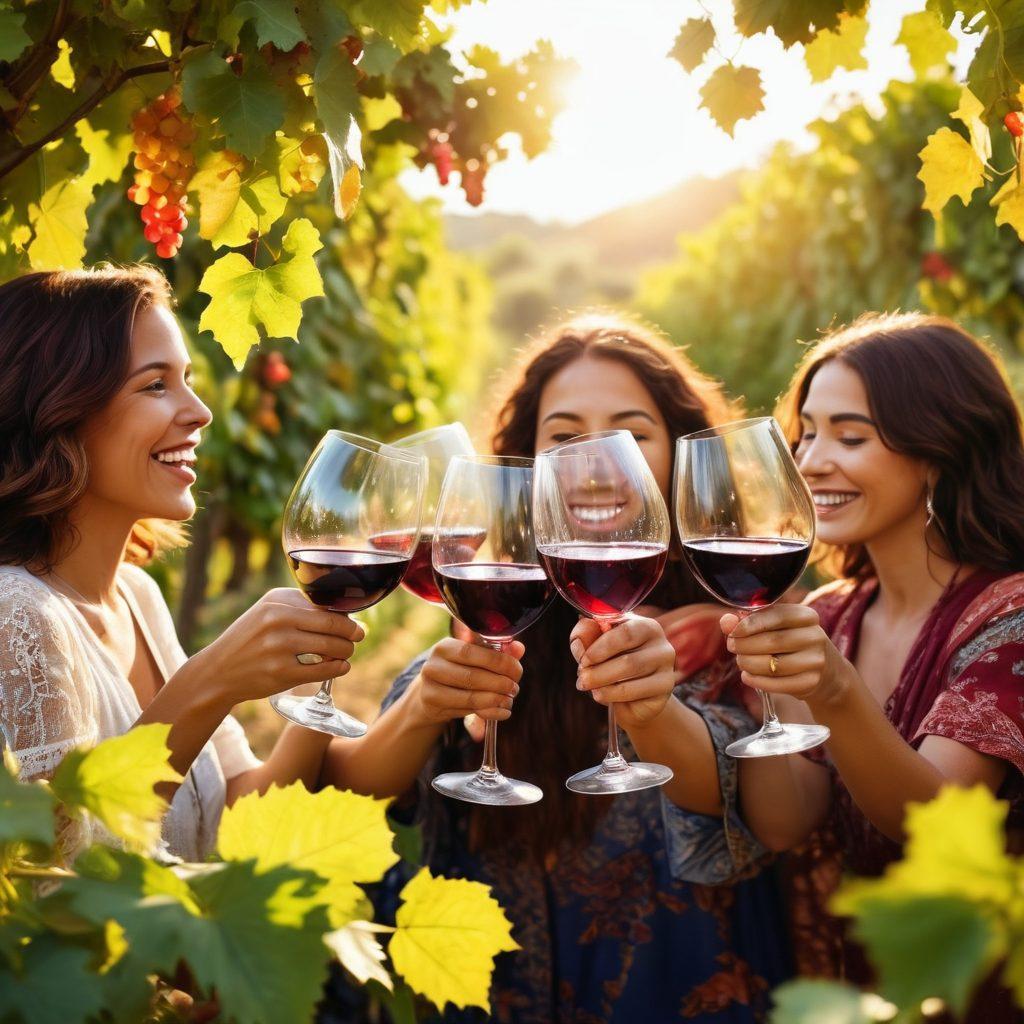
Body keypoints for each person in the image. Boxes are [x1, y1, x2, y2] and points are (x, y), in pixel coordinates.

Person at [323, 313, 792, 1023]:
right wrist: (422, 707)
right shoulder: (495, 609)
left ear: (680, 453)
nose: (597, 463)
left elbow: (741, 805)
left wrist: (652, 709)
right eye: (564, 438)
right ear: (526, 462)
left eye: (632, 434)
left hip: (674, 988)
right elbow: (358, 790)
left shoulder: (735, 613)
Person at [718, 312, 1024, 1021]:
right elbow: (786, 820)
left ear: (940, 450)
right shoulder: (828, 617)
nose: (813, 460)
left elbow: (933, 825)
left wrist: (835, 692)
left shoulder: (1009, 619)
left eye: (850, 437)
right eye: (807, 434)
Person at [0, 267, 363, 861]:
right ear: (59, 409)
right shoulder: (17, 612)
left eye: (188, 380)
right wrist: (210, 682)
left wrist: (321, 688)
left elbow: (230, 816)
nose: (200, 412)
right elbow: (63, 878)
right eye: (154, 385)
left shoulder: (137, 596)